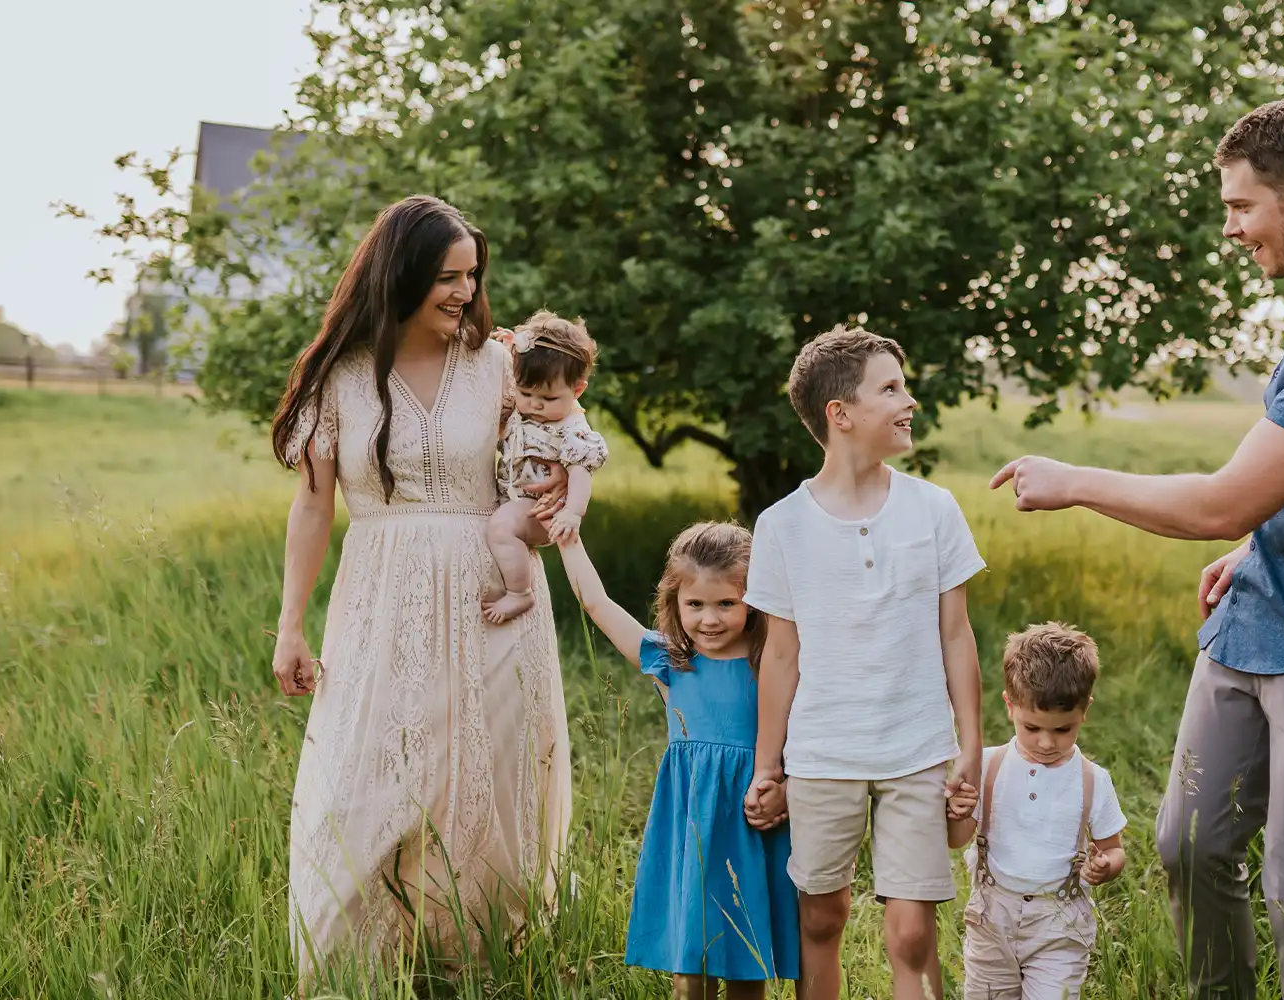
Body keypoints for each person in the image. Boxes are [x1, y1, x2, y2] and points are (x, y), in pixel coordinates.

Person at [988, 96, 1284, 1000]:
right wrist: (1260, 546)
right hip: (1257, 615)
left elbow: (1222, 499)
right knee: (1189, 842)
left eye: (1242, 208)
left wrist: (1077, 480)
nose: (1233, 229)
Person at [268, 194, 574, 982]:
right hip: (381, 597)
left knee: (483, 776)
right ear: (400, 274)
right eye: (447, 277)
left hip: (491, 596)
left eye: (472, 276)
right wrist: (290, 627)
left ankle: (475, 964)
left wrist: (553, 509)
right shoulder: (337, 376)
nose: (465, 293)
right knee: (367, 775)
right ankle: (354, 969)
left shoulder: (500, 366)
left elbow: (562, 448)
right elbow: (312, 505)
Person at [744, 326, 987, 1000]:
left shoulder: (934, 510)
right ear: (840, 414)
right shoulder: (781, 526)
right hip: (823, 753)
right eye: (891, 389)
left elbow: (957, 636)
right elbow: (781, 655)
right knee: (821, 915)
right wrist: (771, 766)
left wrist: (971, 744)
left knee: (912, 932)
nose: (909, 401)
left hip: (916, 749)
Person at [555, 524, 802, 998]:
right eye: (696, 605)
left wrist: (786, 791)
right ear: (676, 603)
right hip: (694, 825)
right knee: (692, 960)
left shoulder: (773, 662)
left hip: (756, 821)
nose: (709, 619)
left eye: (727, 604)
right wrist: (570, 542)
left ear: (755, 601)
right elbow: (597, 604)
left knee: (748, 961)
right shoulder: (671, 661)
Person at [945, 622, 1128, 1000]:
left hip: (1058, 926)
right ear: (1009, 706)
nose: (1046, 743)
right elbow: (956, 840)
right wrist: (957, 814)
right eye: (1032, 728)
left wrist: (1106, 865)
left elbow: (1114, 848)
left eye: (1063, 730)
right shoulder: (988, 766)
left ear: (1084, 711)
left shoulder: (1092, 780)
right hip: (991, 919)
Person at [481, 310, 608, 624]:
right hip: (517, 497)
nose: (534, 405)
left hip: (542, 510)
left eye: (548, 398)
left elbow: (579, 471)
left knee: (501, 527)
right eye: (525, 393)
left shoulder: (570, 428)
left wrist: (573, 512)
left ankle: (520, 592)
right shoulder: (525, 410)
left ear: (577, 391)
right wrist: (515, 345)